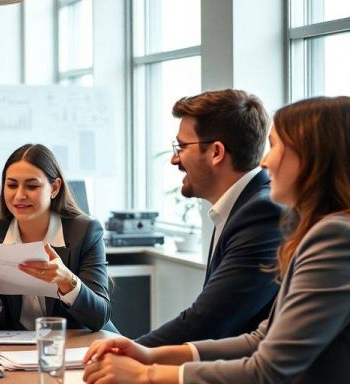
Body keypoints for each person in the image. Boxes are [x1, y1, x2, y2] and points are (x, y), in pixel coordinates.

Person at [83, 96, 350, 383]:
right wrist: (150, 354)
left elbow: (267, 368)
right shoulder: (320, 229)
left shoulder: (333, 236)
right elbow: (261, 338)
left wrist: (146, 374)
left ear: (311, 158)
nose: (265, 160)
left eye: (276, 146)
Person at [135, 89, 283, 347]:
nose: (174, 158)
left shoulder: (262, 213)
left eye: (181, 146)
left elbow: (210, 322)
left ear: (216, 152)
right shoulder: (241, 205)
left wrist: (128, 353)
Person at [0, 143, 117, 332]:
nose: (19, 195)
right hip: (20, 352)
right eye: (12, 185)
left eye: (31, 186)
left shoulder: (85, 231)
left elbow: (99, 317)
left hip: (79, 346)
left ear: (55, 188)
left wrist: (67, 281)